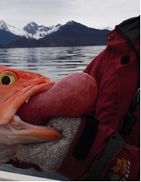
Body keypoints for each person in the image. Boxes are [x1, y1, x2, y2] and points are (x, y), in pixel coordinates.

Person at [11, 16, 140, 180]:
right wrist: (8, 145)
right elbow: (68, 118)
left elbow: (82, 143)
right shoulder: (121, 48)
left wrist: (95, 155)